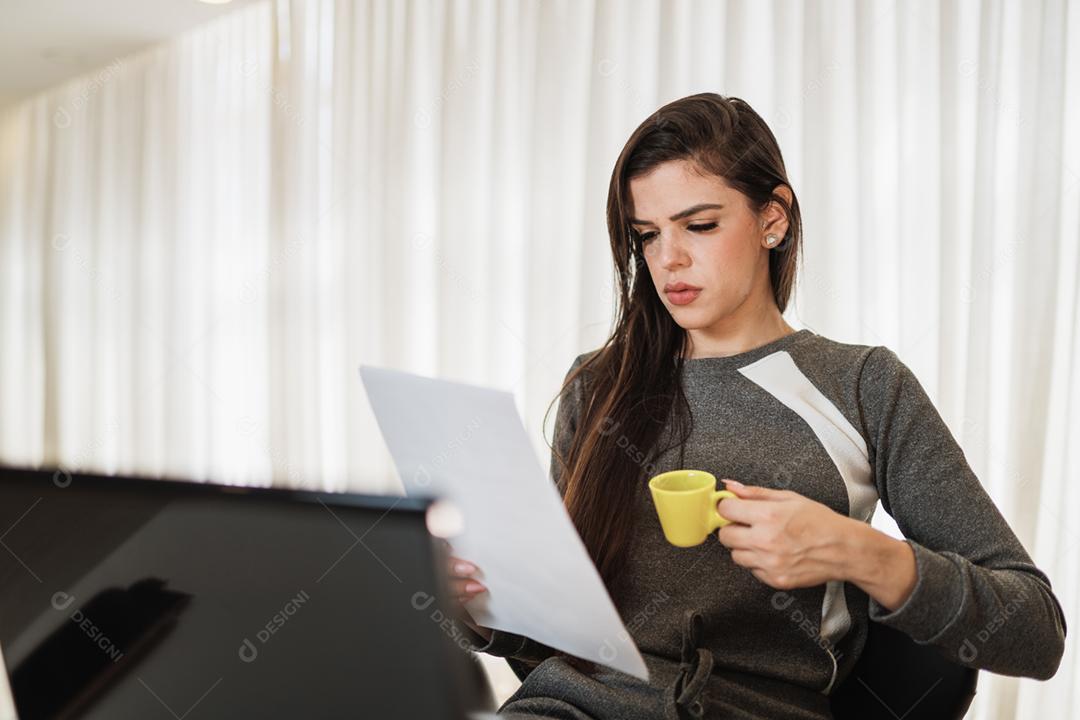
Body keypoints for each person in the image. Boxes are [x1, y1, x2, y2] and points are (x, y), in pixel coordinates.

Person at [444, 92, 1066, 719]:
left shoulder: (862, 385)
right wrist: (482, 608)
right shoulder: (600, 385)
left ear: (773, 218)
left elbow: (1036, 632)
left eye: (700, 225)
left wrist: (858, 551)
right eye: (647, 237)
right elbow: (563, 645)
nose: (669, 261)